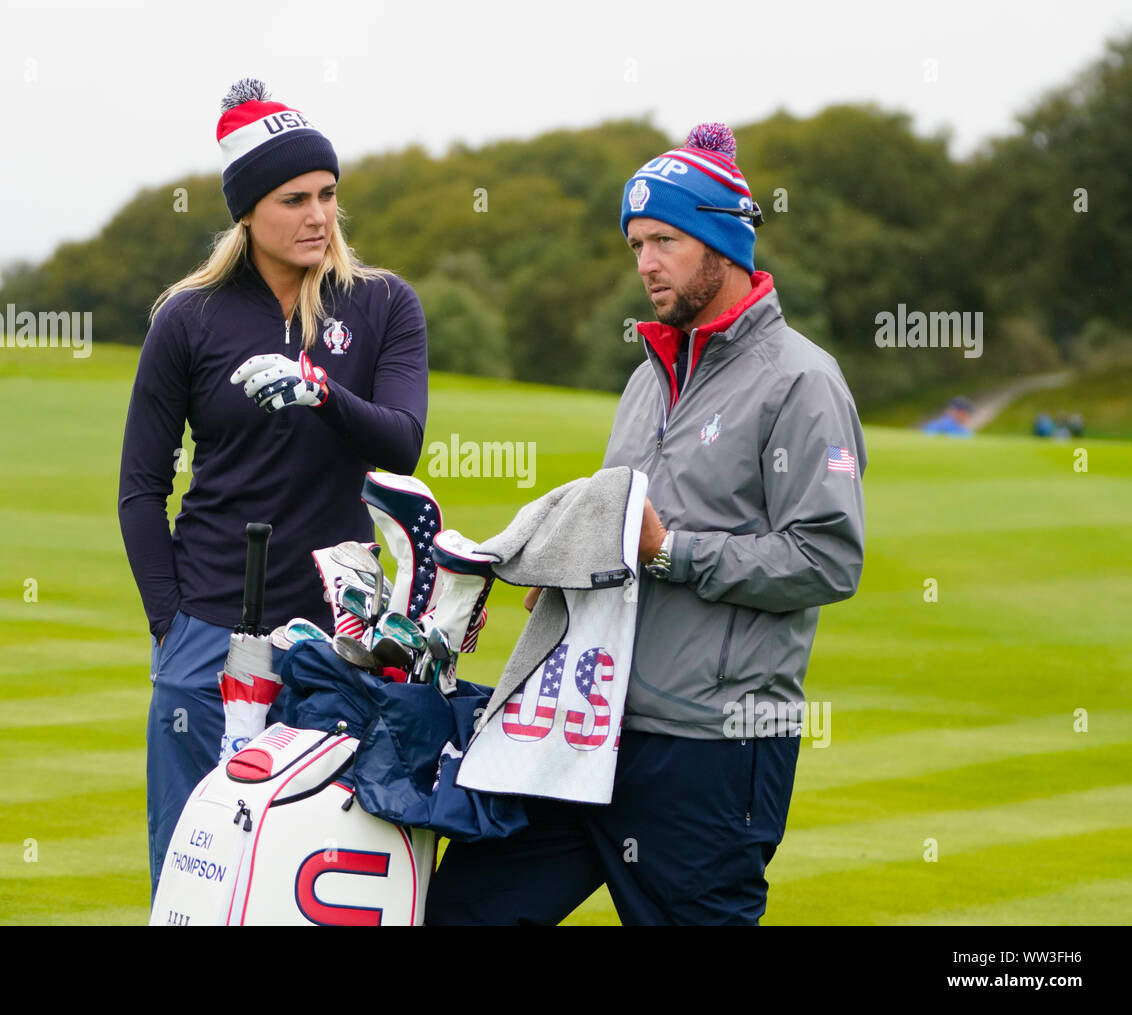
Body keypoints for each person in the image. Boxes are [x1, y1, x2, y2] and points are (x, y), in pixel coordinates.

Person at [426, 122, 865, 925]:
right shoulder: (645, 380)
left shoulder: (803, 381)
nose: (646, 264)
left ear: (722, 242)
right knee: (459, 910)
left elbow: (826, 560)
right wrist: (564, 579)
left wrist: (673, 554)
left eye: (664, 239)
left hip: (712, 749)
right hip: (586, 727)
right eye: (635, 244)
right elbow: (619, 531)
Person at [118, 78, 429, 901]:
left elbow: (403, 439)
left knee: (313, 877)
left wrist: (320, 391)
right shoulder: (188, 318)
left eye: (329, 194)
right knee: (196, 879)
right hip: (209, 632)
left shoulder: (384, 304)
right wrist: (171, 627)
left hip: (339, 638)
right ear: (249, 211)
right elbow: (141, 490)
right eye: (294, 198)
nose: (319, 216)